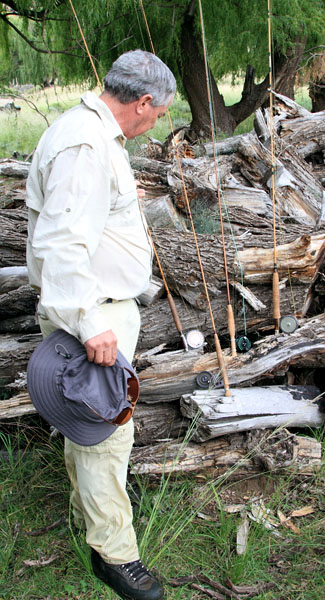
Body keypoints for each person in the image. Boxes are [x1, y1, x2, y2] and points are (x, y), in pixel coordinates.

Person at [26, 49, 176, 600]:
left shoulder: (87, 133)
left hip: (99, 308)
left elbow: (79, 215)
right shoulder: (86, 145)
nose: (154, 123)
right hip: (92, 313)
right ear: (141, 102)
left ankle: (89, 515)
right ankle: (116, 556)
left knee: (88, 426)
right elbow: (62, 243)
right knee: (106, 435)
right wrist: (89, 324)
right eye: (156, 115)